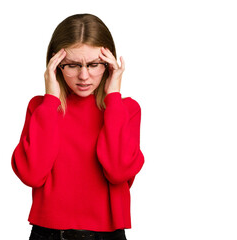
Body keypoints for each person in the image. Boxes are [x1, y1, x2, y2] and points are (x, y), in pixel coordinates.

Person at [11, 13, 144, 240]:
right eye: (72, 65)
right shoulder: (41, 108)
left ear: (109, 64)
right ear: (56, 65)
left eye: (94, 64)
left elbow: (118, 171)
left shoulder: (125, 109)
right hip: (49, 233)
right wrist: (51, 100)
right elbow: (32, 175)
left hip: (107, 235)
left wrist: (113, 97)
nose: (84, 76)